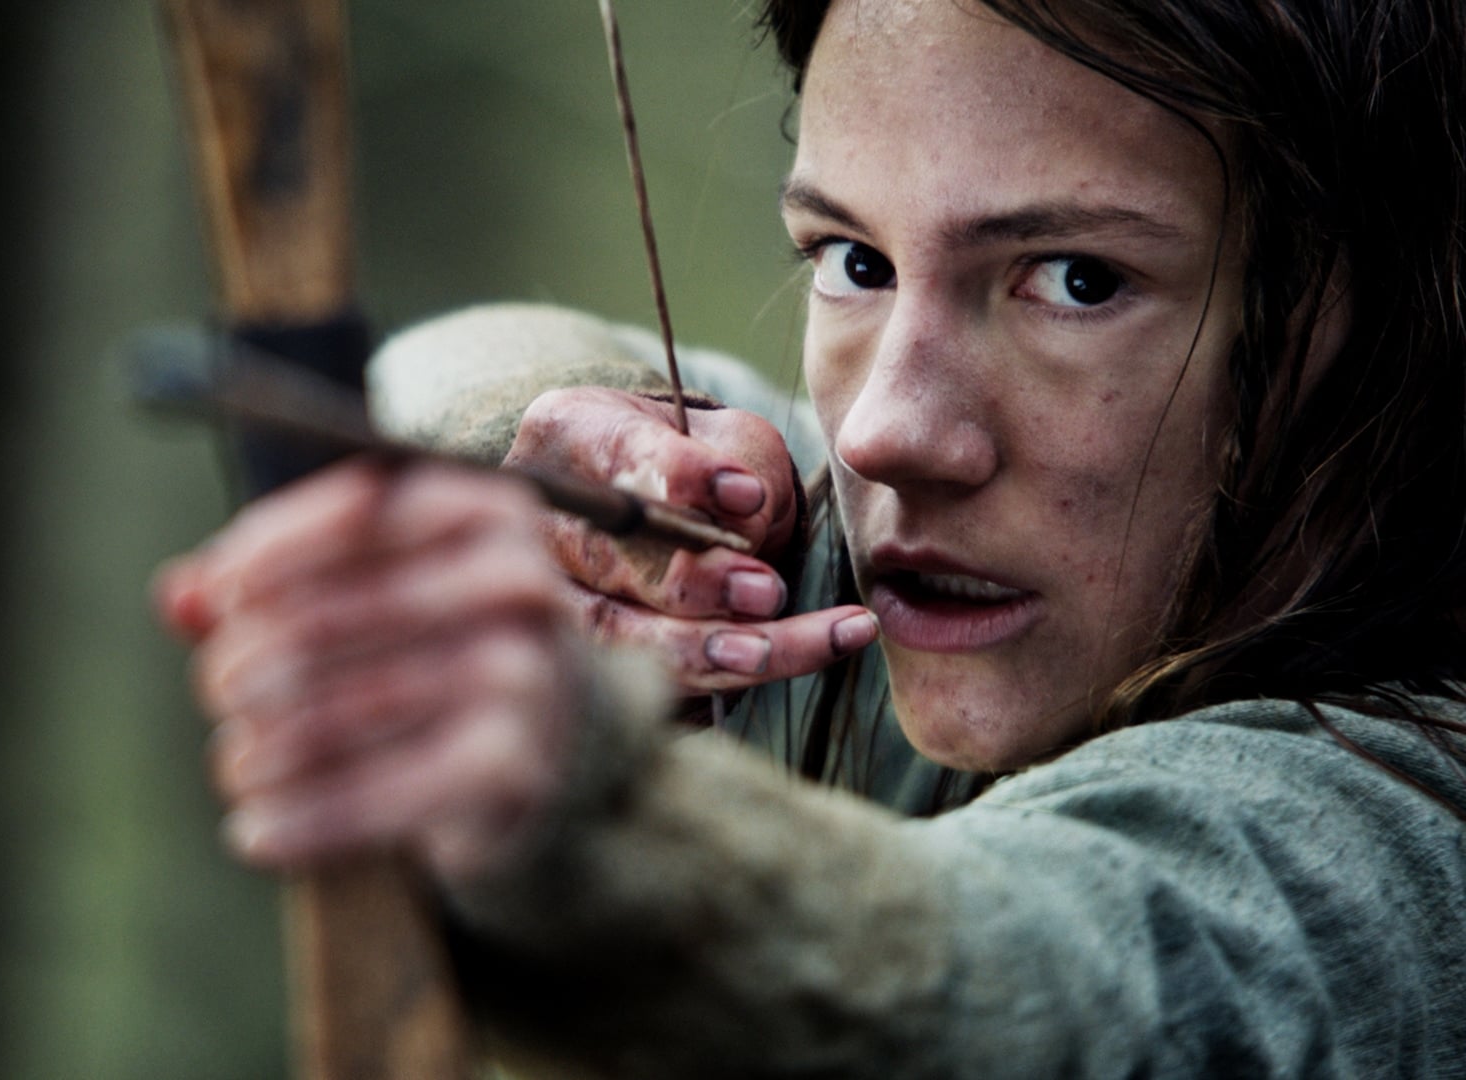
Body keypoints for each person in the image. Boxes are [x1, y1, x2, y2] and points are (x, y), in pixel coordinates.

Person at [155, 0, 1466, 1075]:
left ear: (1397, 329)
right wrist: (547, 462)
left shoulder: (1409, 816)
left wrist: (586, 816)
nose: (885, 432)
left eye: (1079, 279)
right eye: (853, 260)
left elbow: (1046, 982)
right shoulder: (946, 595)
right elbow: (445, 371)